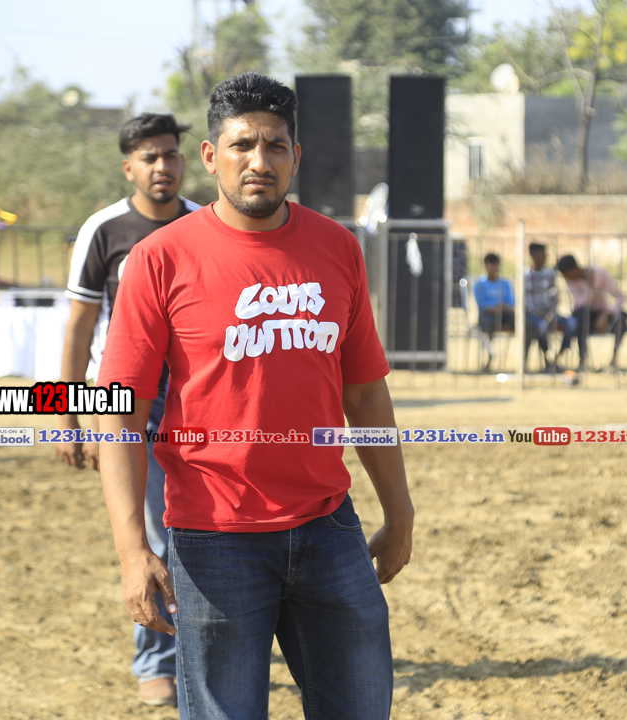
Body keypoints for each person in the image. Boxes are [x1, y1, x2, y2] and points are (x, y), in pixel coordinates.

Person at [95, 72, 414, 720]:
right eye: (242, 145)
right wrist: (132, 551)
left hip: (329, 527)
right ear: (211, 156)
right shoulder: (160, 259)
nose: (259, 161)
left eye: (275, 146)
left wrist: (400, 511)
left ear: (296, 156)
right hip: (214, 538)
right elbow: (120, 413)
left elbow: (365, 393)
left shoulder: (338, 248)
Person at [59, 112, 198, 708]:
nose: (162, 166)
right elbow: (79, 328)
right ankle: (157, 661)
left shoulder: (204, 224)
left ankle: (206, 639)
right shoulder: (104, 229)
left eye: (170, 154)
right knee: (155, 532)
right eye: (150, 157)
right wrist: (68, 417)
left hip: (196, 399)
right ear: (129, 168)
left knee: (204, 527)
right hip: (126, 404)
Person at [556, 254, 627, 370]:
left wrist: (606, 313)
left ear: (574, 269)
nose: (566, 278)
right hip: (585, 316)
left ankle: (613, 360)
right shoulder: (569, 280)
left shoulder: (600, 273)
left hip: (603, 312)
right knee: (580, 314)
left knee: (622, 317)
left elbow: (621, 297)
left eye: (567, 274)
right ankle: (582, 360)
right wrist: (589, 285)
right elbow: (581, 303)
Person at [524, 242, 572, 372]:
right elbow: (524, 301)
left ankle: (556, 360)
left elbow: (555, 296)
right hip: (533, 316)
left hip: (550, 314)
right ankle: (547, 359)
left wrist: (550, 313)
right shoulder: (525, 275)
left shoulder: (550, 274)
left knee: (572, 325)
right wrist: (540, 313)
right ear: (533, 255)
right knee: (541, 327)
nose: (545, 257)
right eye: (541, 254)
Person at [473, 252, 515, 336]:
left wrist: (504, 307)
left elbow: (511, 302)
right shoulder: (479, 284)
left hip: (505, 314)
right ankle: (488, 344)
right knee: (487, 325)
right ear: (485, 266)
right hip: (488, 315)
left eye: (496, 264)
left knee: (520, 323)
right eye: (491, 264)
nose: (494, 267)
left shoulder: (505, 283)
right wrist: (495, 308)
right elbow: (482, 305)